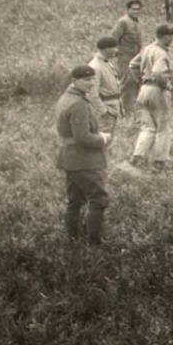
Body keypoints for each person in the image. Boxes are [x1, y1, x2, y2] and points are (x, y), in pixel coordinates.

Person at [54, 63, 112, 244]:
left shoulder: (67, 97)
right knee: (99, 198)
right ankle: (94, 243)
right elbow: (82, 138)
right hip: (83, 159)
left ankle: (72, 240)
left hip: (70, 158)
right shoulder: (78, 103)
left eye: (93, 78)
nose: (91, 83)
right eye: (86, 80)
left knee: (75, 201)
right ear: (74, 81)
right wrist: (102, 139)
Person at [127, 23, 173, 172]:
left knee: (147, 126)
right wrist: (165, 86)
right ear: (165, 36)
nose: (172, 40)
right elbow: (158, 73)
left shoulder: (147, 49)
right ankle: (159, 162)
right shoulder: (161, 53)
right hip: (157, 90)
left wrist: (141, 79)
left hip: (144, 89)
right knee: (163, 126)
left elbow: (132, 65)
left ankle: (137, 157)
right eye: (171, 36)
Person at [111, 0, 145, 116]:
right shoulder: (123, 22)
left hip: (136, 57)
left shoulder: (136, 22)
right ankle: (124, 111)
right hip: (125, 56)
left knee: (135, 82)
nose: (136, 11)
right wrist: (117, 53)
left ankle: (133, 108)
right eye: (133, 9)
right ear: (128, 10)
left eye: (138, 9)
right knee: (126, 83)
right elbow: (113, 38)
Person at [87, 35, 126, 134]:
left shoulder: (107, 63)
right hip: (106, 110)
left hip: (112, 109)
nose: (116, 50)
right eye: (114, 48)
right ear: (107, 49)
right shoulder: (95, 66)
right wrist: (103, 111)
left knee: (108, 140)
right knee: (101, 139)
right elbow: (92, 93)